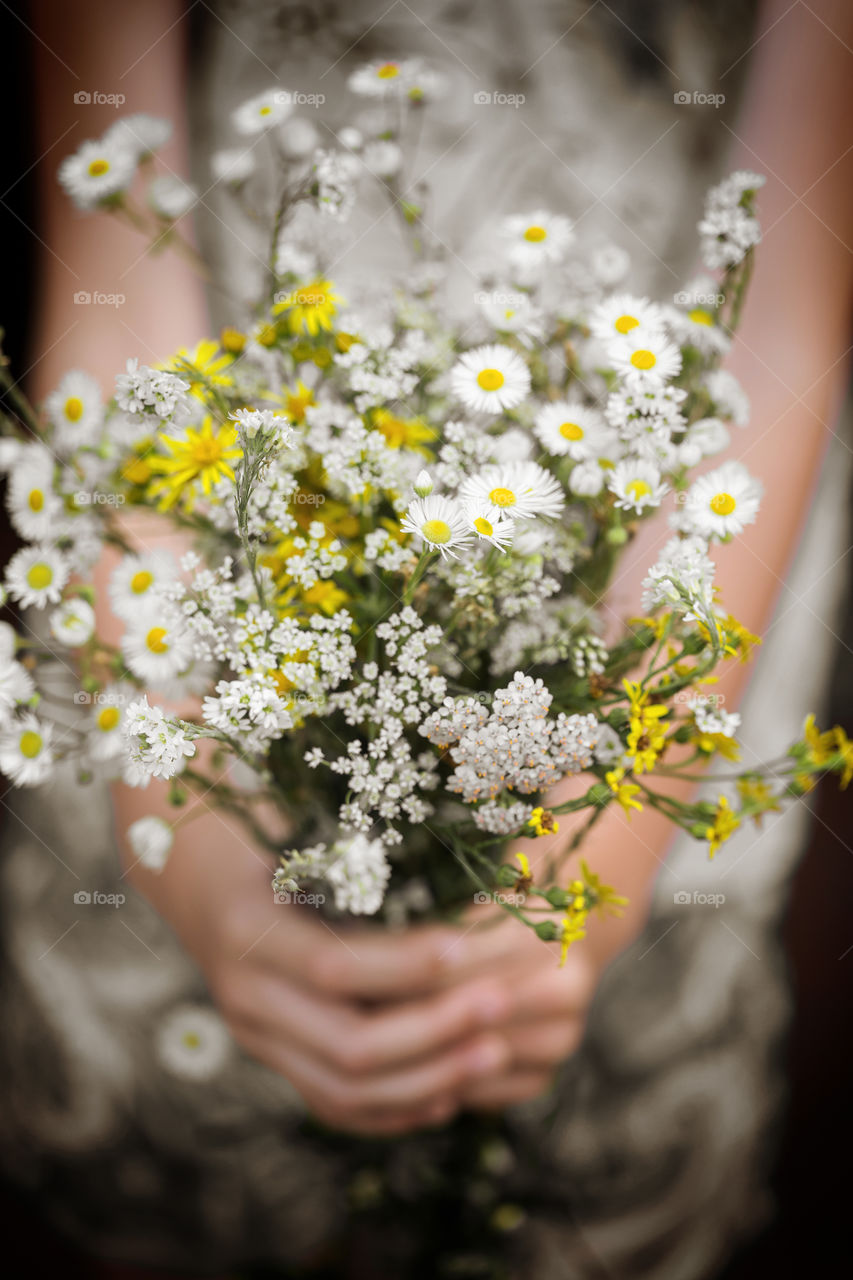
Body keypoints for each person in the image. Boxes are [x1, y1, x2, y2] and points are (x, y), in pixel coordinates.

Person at [2, 0, 850, 1273]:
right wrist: (191, 839)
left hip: (671, 570)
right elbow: (119, 270)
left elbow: (784, 291)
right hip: (206, 606)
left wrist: (595, 850)